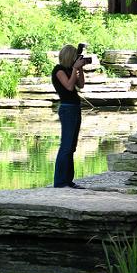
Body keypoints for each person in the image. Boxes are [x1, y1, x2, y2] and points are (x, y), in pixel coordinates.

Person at [51, 44, 86, 188]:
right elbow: (69, 87)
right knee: (66, 146)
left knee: (72, 146)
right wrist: (75, 69)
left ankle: (68, 180)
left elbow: (81, 85)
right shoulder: (58, 70)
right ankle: (60, 181)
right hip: (67, 109)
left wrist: (80, 68)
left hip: (75, 108)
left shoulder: (70, 69)